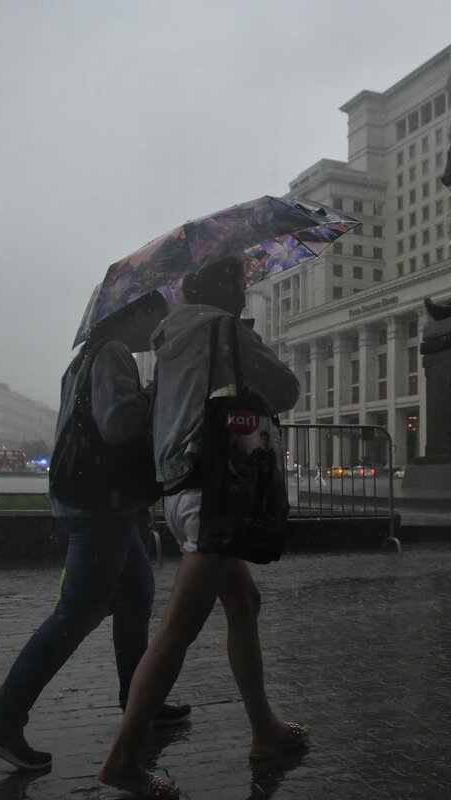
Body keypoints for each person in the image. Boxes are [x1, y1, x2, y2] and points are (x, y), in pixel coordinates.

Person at [97, 256, 305, 799]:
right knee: (177, 630)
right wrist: (251, 353)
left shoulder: (169, 340)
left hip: (180, 487)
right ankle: (122, 759)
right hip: (214, 490)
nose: (245, 289)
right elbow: (286, 390)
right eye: (241, 281)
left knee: (244, 603)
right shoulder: (223, 330)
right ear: (222, 287)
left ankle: (266, 731)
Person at [0, 290, 190, 772]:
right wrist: (157, 393)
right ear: (139, 313)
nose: (159, 329)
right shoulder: (112, 353)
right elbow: (117, 425)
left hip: (94, 499)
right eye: (158, 317)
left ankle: (141, 704)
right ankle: (2, 717)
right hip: (100, 505)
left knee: (135, 593)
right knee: (77, 613)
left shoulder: (86, 356)